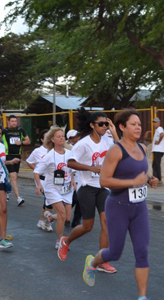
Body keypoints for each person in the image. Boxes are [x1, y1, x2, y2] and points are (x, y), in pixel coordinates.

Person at [81, 110, 160, 300]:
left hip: (140, 208)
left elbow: (143, 171)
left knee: (142, 251)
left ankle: (141, 299)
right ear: (122, 127)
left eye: (139, 124)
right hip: (118, 207)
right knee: (114, 253)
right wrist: (132, 182)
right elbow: (104, 181)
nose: (138, 127)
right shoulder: (116, 151)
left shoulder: (142, 147)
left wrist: (150, 179)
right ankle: (93, 262)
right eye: (133, 124)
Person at [60, 108, 119, 273]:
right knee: (87, 226)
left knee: (106, 222)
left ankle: (101, 261)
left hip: (103, 187)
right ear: (93, 125)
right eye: (101, 124)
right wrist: (91, 168)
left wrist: (114, 133)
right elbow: (70, 163)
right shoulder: (83, 143)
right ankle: (66, 241)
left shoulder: (107, 140)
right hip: (86, 188)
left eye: (106, 124)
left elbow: (121, 149)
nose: (104, 127)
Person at [33, 126, 75, 250]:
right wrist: (39, 185)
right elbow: (36, 171)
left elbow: (72, 169)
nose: (62, 138)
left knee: (67, 217)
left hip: (67, 188)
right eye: (58, 136)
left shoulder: (69, 153)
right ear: (52, 140)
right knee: (61, 213)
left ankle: (50, 217)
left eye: (63, 136)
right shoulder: (49, 155)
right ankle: (60, 240)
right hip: (53, 188)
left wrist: (73, 181)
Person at [26, 131, 54, 232]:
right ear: (42, 139)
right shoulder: (37, 151)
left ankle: (42, 220)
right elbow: (29, 161)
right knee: (49, 199)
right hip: (42, 180)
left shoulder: (54, 150)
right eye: (47, 137)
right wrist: (37, 169)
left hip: (52, 179)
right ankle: (46, 221)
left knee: (49, 200)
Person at [2, 115, 31, 207]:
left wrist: (21, 142)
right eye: (12, 121)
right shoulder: (4, 131)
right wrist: (3, 146)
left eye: (15, 121)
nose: (14, 123)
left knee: (14, 177)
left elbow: (28, 141)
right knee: (13, 176)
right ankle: (18, 198)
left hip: (17, 155)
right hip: (8, 155)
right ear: (8, 122)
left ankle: (7, 190)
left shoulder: (20, 130)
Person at [66, 129, 83, 228]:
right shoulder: (68, 149)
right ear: (70, 139)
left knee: (80, 200)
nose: (76, 138)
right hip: (72, 177)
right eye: (73, 137)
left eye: (77, 136)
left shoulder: (82, 146)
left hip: (81, 178)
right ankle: (64, 215)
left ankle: (76, 221)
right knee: (72, 200)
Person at [151, 117, 164, 183]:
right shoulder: (157, 130)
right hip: (157, 150)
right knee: (155, 164)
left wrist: (158, 142)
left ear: (159, 123)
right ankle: (156, 177)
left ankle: (158, 179)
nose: (154, 124)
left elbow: (162, 135)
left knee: (156, 164)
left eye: (155, 122)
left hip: (158, 150)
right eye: (153, 122)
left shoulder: (159, 128)